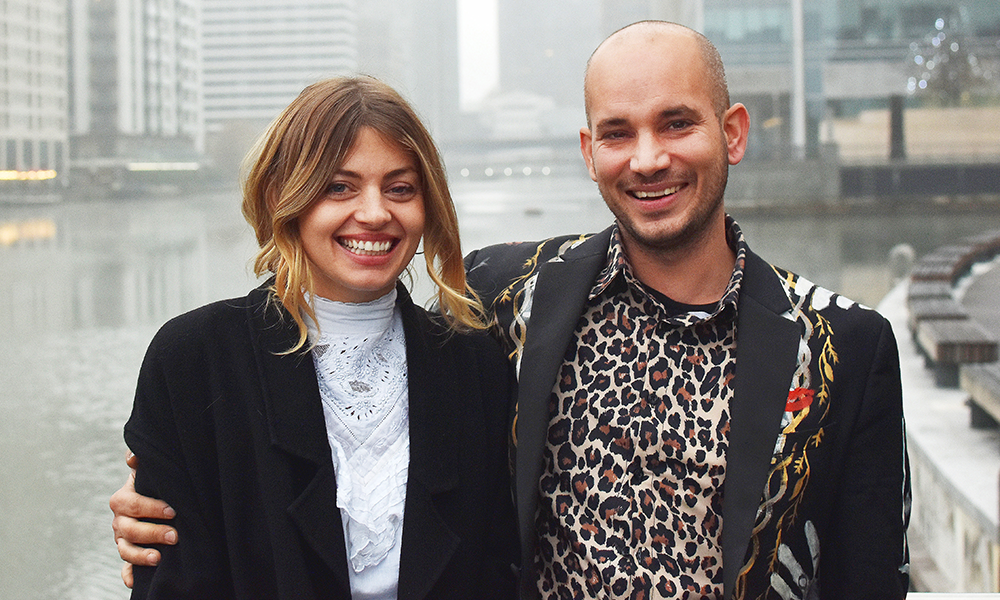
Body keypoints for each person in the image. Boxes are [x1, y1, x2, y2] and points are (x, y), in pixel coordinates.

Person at [112, 21, 910, 600]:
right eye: (617, 132)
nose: (648, 158)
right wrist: (155, 513)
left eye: (677, 124)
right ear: (588, 152)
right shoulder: (512, 301)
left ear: (732, 133)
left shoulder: (842, 342)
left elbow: (870, 575)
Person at [118, 75, 518, 599]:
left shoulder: (473, 362)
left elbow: (500, 568)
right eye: (338, 187)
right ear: (285, 196)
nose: (375, 214)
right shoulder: (194, 359)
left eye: (400, 188)